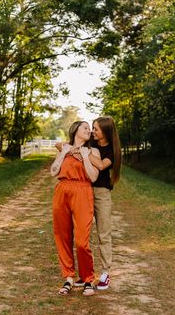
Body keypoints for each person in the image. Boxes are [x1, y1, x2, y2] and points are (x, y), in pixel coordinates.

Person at [56, 116, 122, 290]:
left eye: (97, 129)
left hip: (101, 192)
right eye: (92, 127)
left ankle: (105, 272)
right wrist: (72, 149)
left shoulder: (111, 150)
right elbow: (60, 145)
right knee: (82, 235)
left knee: (103, 233)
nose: (93, 131)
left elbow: (100, 166)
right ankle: (85, 275)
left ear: (106, 131)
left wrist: (80, 152)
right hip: (83, 190)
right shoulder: (89, 142)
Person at [50, 121, 100, 296]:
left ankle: (88, 280)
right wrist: (63, 153)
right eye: (85, 128)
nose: (89, 131)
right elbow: (53, 171)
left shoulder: (93, 151)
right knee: (62, 235)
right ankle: (68, 278)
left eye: (90, 129)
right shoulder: (66, 148)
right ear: (75, 130)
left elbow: (93, 177)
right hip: (62, 190)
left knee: (81, 240)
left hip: (83, 191)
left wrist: (86, 156)